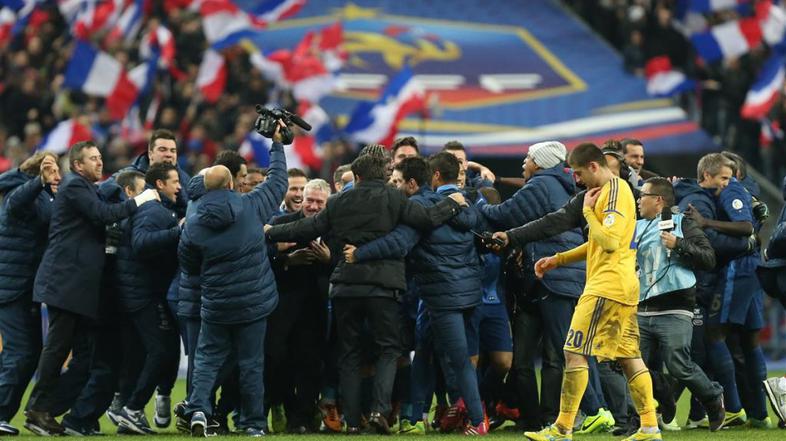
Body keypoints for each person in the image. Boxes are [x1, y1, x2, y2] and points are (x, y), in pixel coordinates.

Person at [265, 152, 468, 434]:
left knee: (349, 353)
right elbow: (426, 219)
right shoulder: (395, 198)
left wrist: (271, 231)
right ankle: (378, 412)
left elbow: (308, 227)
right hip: (383, 286)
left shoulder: (338, 201)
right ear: (381, 174)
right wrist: (453, 204)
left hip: (346, 286)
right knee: (388, 349)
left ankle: (351, 422)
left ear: (358, 176)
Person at [495, 143, 661, 441]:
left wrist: (587, 213)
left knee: (573, 352)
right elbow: (596, 240)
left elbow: (608, 241)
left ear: (594, 166)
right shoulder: (608, 192)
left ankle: (562, 428)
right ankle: (649, 427)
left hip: (606, 287)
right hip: (622, 286)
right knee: (629, 356)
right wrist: (559, 259)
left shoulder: (613, 191)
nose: (577, 179)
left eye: (580, 172)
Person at [25, 141, 159, 436]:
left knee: (85, 356)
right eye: (93, 159)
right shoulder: (75, 185)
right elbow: (102, 214)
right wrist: (140, 200)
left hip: (77, 286)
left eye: (100, 157)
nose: (99, 162)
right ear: (77, 165)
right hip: (65, 282)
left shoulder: (86, 188)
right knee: (58, 348)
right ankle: (37, 410)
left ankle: (49, 409)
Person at [477, 141, 612, 432]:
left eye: (528, 157)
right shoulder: (568, 187)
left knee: (569, 348)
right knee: (567, 349)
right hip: (560, 279)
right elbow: (549, 223)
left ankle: (595, 410)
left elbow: (504, 214)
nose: (524, 162)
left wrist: (478, 200)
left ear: (539, 162)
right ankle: (566, 414)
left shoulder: (541, 185)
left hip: (553, 279)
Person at [178, 124, 289, 437]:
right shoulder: (251, 206)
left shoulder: (193, 220)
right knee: (251, 363)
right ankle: (253, 424)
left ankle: (199, 410)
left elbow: (188, 264)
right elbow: (278, 182)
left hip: (216, 303)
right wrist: (277, 144)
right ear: (231, 183)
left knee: (207, 360)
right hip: (253, 302)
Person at [634, 177, 725, 431]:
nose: (639, 200)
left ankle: (712, 398)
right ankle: (657, 402)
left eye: (643, 195)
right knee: (633, 364)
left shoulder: (682, 223)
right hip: (641, 306)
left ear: (658, 200)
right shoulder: (635, 227)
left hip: (675, 304)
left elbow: (709, 258)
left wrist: (679, 244)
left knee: (678, 364)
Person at [113, 163, 183, 434]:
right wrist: (177, 231)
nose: (179, 187)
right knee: (161, 351)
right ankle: (131, 409)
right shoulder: (153, 209)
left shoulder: (156, 209)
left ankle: (127, 409)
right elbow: (141, 243)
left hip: (140, 290)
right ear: (160, 184)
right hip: (142, 293)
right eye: (175, 181)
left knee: (148, 352)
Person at [266, 179, 334, 433]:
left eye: (319, 202)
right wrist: (286, 260)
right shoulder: (280, 224)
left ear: (328, 204)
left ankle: (302, 419)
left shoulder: (334, 228)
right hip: (282, 307)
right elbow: (261, 261)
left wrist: (329, 259)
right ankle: (285, 407)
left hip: (317, 307)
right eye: (310, 200)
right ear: (302, 199)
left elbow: (345, 262)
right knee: (276, 359)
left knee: (310, 363)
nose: (313, 206)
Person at [0, 153, 60, 436]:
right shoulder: (20, 192)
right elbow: (17, 202)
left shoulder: (45, 197)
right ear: (37, 172)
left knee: (28, 351)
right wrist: (39, 182)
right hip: (11, 287)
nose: (57, 175)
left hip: (24, 287)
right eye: (52, 170)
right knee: (21, 351)